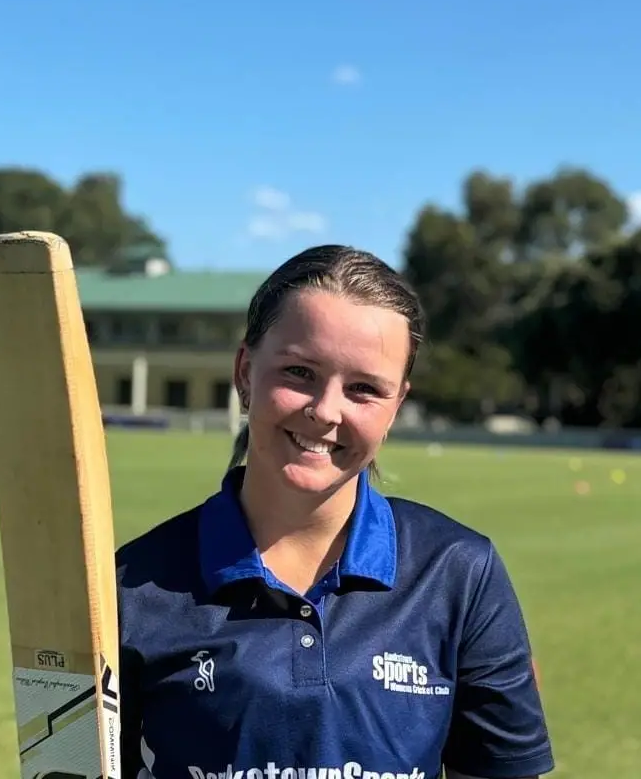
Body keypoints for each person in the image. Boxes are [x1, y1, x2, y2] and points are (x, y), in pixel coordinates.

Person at [115, 244, 554, 779]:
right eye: (299, 372)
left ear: (396, 407)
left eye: (364, 389)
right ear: (245, 372)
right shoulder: (130, 587)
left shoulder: (460, 573)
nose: (325, 411)